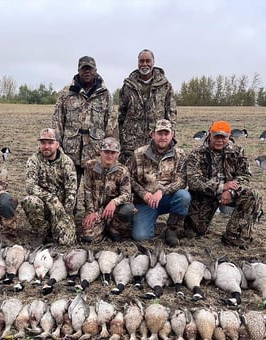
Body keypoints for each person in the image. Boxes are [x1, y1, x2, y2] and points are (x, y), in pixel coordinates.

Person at [184, 120, 263, 249]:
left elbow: (245, 175)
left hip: (230, 193)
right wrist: (221, 187)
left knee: (252, 195)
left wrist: (230, 191)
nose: (220, 140)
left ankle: (235, 237)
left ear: (229, 136)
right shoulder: (196, 154)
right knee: (192, 233)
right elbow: (193, 181)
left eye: (223, 137)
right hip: (205, 195)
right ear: (210, 134)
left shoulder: (237, 151)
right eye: (216, 136)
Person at [52, 55, 117, 195]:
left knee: (96, 190)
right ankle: (70, 211)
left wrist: (108, 149)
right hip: (70, 150)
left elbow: (111, 123)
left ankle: (93, 213)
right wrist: (57, 144)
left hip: (95, 151)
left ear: (95, 70)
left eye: (90, 69)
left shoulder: (105, 94)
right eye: (84, 69)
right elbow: (57, 119)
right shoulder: (66, 92)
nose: (87, 72)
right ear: (78, 70)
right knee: (69, 188)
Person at [129, 119, 191, 247]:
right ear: (153, 134)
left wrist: (162, 191)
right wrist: (144, 194)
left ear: (172, 135)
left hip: (167, 198)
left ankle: (172, 229)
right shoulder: (139, 153)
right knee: (140, 237)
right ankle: (148, 221)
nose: (163, 137)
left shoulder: (180, 154)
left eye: (166, 134)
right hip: (145, 201)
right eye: (159, 133)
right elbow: (129, 178)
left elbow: (182, 180)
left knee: (183, 196)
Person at [118, 49, 177, 165]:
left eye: (148, 61)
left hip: (156, 142)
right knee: (130, 175)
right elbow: (121, 114)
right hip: (131, 143)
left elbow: (171, 113)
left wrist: (171, 138)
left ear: (153, 62)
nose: (144, 64)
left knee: (153, 176)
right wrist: (122, 138)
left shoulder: (165, 86)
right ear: (138, 63)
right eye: (141, 61)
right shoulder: (128, 86)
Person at [21, 128, 77, 246]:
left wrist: (65, 214)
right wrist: (51, 198)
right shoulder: (34, 160)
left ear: (57, 144)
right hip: (43, 207)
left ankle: (56, 228)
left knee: (66, 242)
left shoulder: (67, 162)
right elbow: (30, 186)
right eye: (43, 143)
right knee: (30, 201)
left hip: (60, 209)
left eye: (50, 143)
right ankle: (41, 232)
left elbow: (71, 191)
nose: (46, 146)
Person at [81, 137, 136, 243]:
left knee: (128, 209)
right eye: (106, 152)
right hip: (97, 210)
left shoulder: (123, 171)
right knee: (88, 239)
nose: (109, 156)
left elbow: (127, 195)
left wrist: (114, 202)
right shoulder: (90, 166)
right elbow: (87, 191)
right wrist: (91, 211)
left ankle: (114, 229)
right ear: (100, 152)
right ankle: (101, 227)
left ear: (118, 154)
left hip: (115, 210)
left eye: (113, 153)